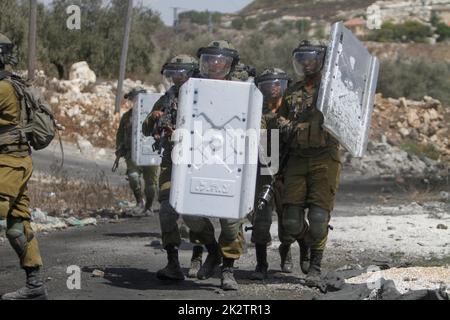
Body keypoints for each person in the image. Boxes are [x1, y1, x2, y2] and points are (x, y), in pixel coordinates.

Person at [178, 40, 245, 291]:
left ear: (230, 65)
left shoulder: (242, 91)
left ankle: (228, 269)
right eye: (209, 60)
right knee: (191, 214)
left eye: (220, 61)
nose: (214, 65)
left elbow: (255, 124)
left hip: (231, 160)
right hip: (198, 158)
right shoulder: (191, 89)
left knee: (230, 222)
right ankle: (212, 251)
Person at [276, 39, 342, 283]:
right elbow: (278, 121)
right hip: (297, 158)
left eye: (311, 58)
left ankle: (315, 265)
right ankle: (303, 241)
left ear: (322, 60)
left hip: (325, 158)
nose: (306, 63)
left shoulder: (333, 90)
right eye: (301, 58)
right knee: (291, 221)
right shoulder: (292, 91)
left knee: (318, 217)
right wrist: (292, 127)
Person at [142, 55, 204, 281]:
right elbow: (146, 129)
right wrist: (154, 117)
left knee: (195, 213)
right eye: (173, 72)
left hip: (198, 161)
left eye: (181, 72)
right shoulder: (166, 99)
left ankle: (198, 257)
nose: (177, 77)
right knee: (167, 211)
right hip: (171, 160)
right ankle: (173, 262)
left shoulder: (203, 96)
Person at [0, 33, 47, 300]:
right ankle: (35, 284)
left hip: (9, 162)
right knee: (17, 223)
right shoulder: (12, 83)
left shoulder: (4, 88)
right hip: (15, 160)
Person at [250, 68, 294, 280]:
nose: (272, 88)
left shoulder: (292, 110)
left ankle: (286, 251)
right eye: (267, 84)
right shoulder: (256, 112)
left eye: (277, 84)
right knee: (261, 219)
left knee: (288, 218)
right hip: (264, 169)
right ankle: (261, 263)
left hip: (287, 170)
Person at [115, 87, 159, 214]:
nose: (135, 100)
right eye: (133, 98)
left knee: (151, 184)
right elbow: (120, 134)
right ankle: (139, 201)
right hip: (132, 153)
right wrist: (119, 148)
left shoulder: (153, 114)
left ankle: (149, 206)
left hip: (151, 153)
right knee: (133, 177)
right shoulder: (127, 116)